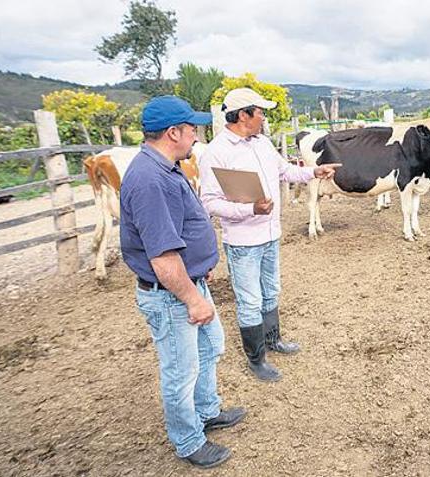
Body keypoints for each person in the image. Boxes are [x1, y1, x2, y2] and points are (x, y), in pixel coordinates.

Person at [119, 95, 245, 469]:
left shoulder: (166, 168)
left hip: (188, 283)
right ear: (173, 132)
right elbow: (162, 256)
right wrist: (193, 299)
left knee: (210, 350)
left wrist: (200, 265)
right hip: (173, 295)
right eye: (192, 129)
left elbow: (178, 232)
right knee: (180, 370)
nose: (196, 135)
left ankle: (207, 412)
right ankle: (188, 440)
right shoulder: (149, 179)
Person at [199, 88, 340, 382]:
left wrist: (314, 172)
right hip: (243, 241)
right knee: (250, 300)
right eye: (260, 112)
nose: (264, 117)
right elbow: (209, 201)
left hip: (270, 233)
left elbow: (285, 171)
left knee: (271, 290)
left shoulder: (261, 143)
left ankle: (273, 339)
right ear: (243, 115)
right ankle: (256, 358)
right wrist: (251, 209)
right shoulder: (217, 152)